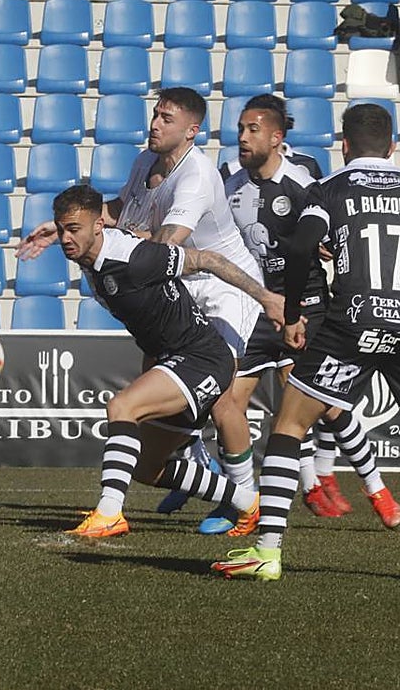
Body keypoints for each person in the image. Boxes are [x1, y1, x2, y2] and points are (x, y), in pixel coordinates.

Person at [212, 103, 400, 586]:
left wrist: (291, 314)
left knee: (289, 425)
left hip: (352, 325)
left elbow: (300, 247)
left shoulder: (329, 190)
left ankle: (267, 552)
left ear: (344, 145)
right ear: (393, 147)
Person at [19, 88, 266, 534]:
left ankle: (238, 503)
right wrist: (62, 231)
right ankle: (225, 486)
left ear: (191, 131)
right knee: (148, 459)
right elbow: (114, 211)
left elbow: (166, 245)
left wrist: (270, 300)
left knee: (222, 397)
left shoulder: (195, 177)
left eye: (166, 118)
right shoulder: (142, 164)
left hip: (224, 287)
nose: (155, 123)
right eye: (155, 115)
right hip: (176, 296)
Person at [216, 95, 400, 527]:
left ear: (276, 138)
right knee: (228, 402)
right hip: (254, 306)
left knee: (324, 405)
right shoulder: (227, 181)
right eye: (241, 129)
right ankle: (243, 502)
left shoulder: (304, 184)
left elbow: (334, 237)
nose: (242, 138)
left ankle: (376, 490)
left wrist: (301, 304)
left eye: (252, 130)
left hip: (305, 306)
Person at [50, 185, 283, 539]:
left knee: (122, 406)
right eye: (61, 229)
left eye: (74, 229)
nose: (66, 238)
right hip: (178, 359)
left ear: (99, 225)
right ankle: (249, 503)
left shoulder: (132, 258)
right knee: (147, 468)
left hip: (201, 358)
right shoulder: (91, 259)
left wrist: (267, 298)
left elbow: (206, 259)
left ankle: (110, 513)